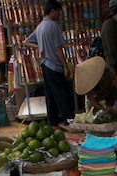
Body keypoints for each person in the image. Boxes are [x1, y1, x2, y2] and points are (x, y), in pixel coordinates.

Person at [23, 0, 75, 128]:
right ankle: (69, 120)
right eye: (58, 12)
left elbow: (26, 42)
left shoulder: (40, 26)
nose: (59, 15)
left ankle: (53, 123)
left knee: (50, 95)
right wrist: (65, 66)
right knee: (61, 94)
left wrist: (39, 46)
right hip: (54, 65)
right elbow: (58, 49)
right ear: (52, 11)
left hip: (45, 64)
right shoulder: (53, 26)